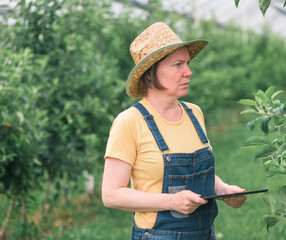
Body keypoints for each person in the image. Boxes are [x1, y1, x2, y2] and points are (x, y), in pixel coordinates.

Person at [102, 22, 247, 240]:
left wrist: (224, 189)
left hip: (205, 234)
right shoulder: (129, 122)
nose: (188, 72)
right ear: (151, 72)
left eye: (187, 63)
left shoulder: (194, 114)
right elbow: (111, 195)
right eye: (177, 64)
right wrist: (171, 201)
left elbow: (195, 175)